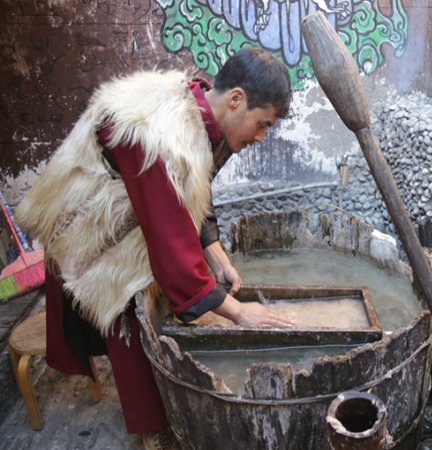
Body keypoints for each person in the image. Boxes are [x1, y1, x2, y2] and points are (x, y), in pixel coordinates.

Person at [15, 47, 294, 450]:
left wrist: (218, 257)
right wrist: (238, 312)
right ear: (236, 99)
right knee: (132, 312)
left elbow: (193, 191)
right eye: (263, 123)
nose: (261, 137)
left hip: (128, 213)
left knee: (167, 290)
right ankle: (155, 430)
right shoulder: (157, 134)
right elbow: (170, 238)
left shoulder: (201, 113)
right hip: (87, 232)